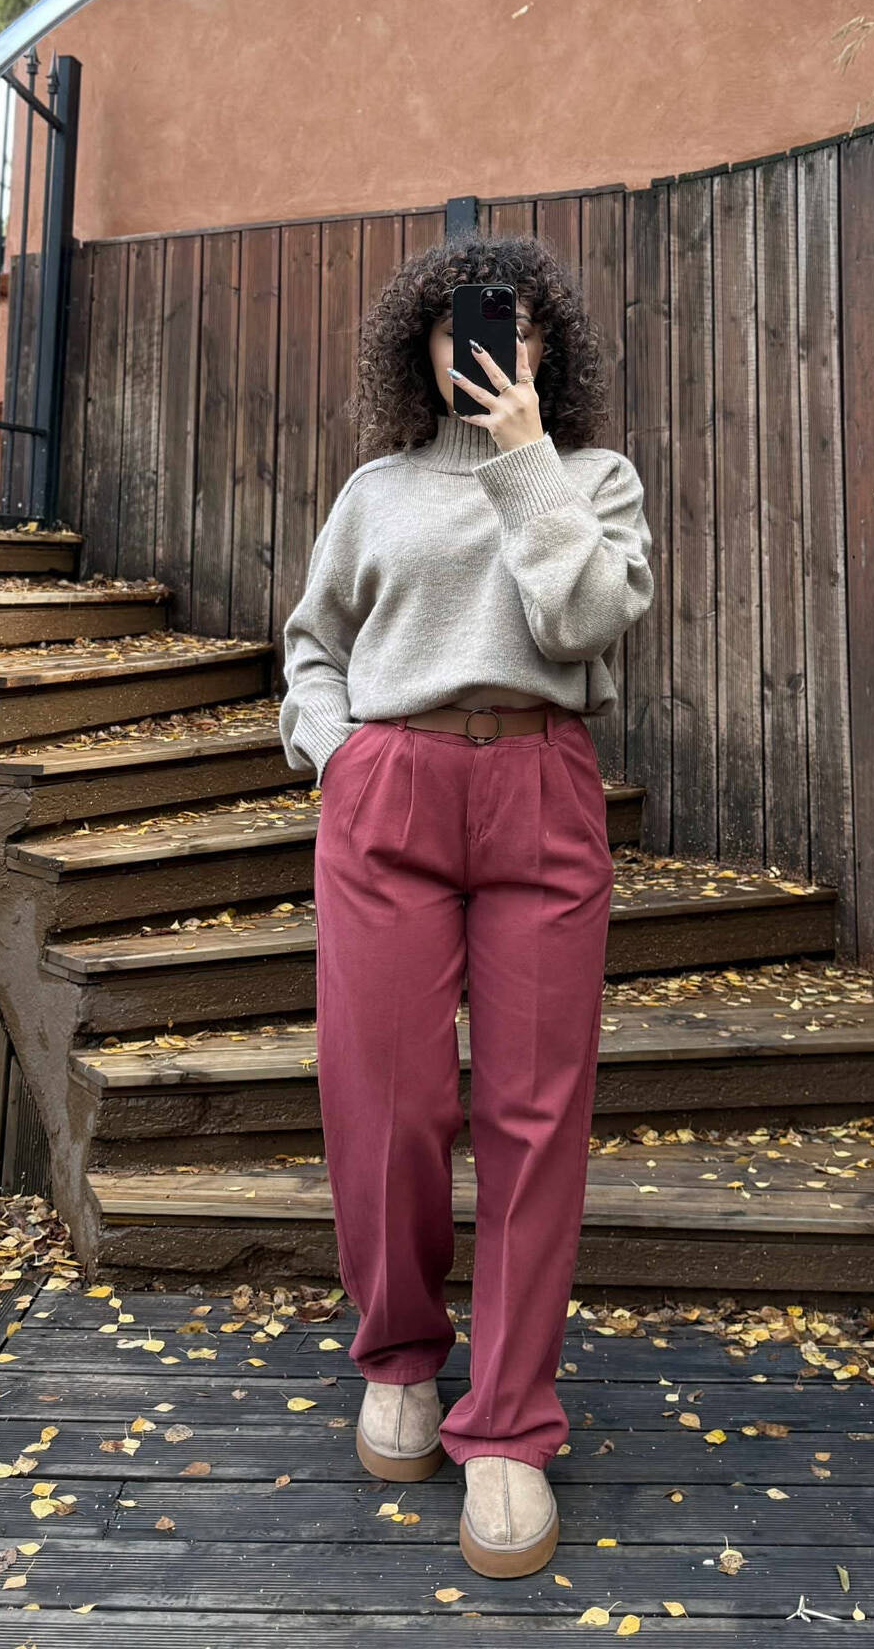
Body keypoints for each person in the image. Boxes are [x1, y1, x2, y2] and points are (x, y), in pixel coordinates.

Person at [278, 233, 654, 1579]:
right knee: (384, 1095)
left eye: (510, 326)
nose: (484, 347)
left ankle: (508, 1424)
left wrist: (524, 458)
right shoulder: (375, 491)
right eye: (456, 327)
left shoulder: (592, 478)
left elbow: (586, 621)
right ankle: (398, 1353)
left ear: (548, 346)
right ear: (419, 349)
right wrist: (335, 751)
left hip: (541, 787)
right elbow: (313, 644)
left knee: (536, 1112)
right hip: (391, 787)